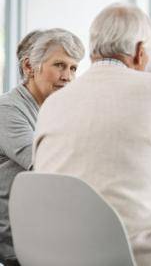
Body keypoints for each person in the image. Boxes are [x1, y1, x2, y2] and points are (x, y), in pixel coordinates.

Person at [32, 3, 151, 266]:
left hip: (57, 255)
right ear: (139, 51)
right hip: (131, 256)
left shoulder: (54, 103)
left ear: (93, 49)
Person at [0, 29, 84, 264]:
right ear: (29, 67)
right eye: (59, 65)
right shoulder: (7, 110)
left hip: (48, 231)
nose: (67, 76)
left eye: (73, 68)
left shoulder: (53, 110)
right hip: (21, 243)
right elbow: (47, 164)